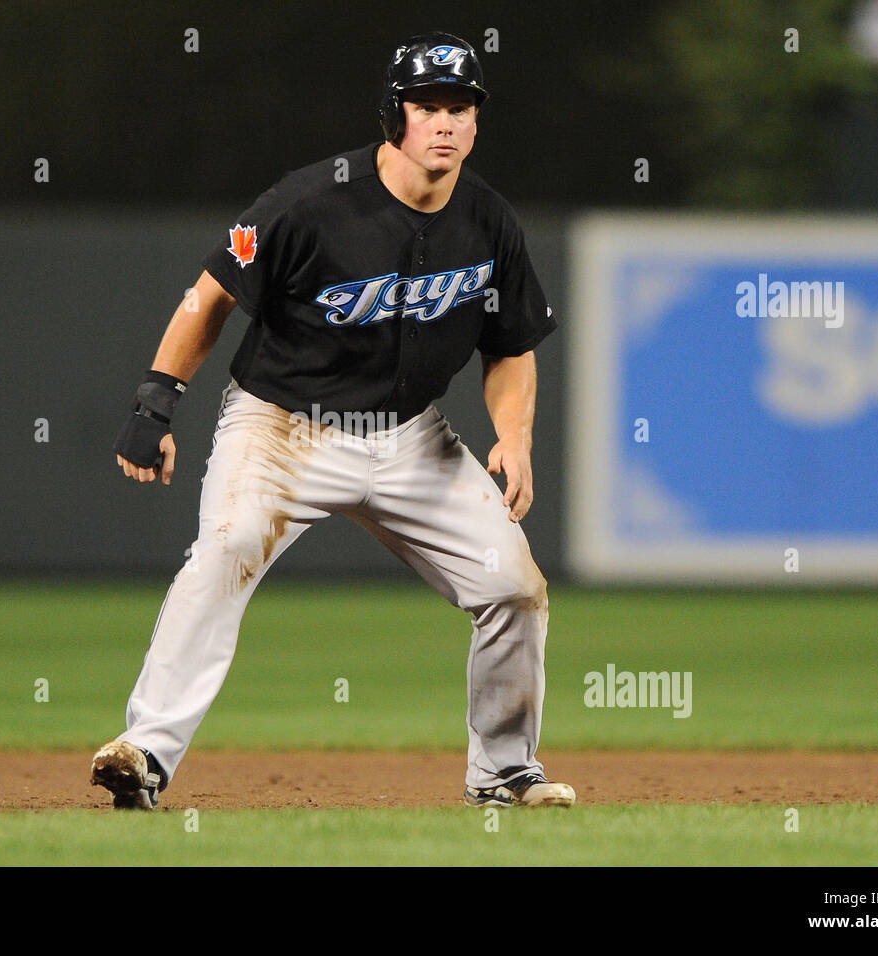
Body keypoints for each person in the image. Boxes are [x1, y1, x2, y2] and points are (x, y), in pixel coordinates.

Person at [92, 32, 572, 810]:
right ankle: (145, 751)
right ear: (394, 114)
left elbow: (511, 346)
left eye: (461, 107)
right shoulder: (309, 203)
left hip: (413, 436)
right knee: (229, 548)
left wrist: (513, 436)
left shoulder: (489, 222)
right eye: (428, 106)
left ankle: (505, 772)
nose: (445, 123)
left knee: (514, 587)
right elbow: (208, 296)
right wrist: (156, 399)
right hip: (283, 426)